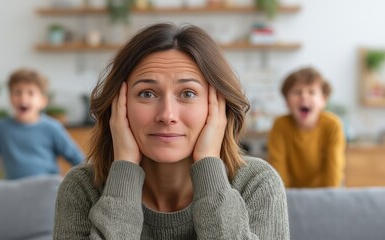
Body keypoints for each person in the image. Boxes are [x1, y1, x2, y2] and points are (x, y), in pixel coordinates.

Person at [53, 23, 289, 239]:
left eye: (187, 94)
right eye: (147, 93)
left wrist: (208, 164)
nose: (167, 115)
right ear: (119, 105)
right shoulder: (82, 188)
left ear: (217, 106)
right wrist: (124, 171)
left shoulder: (257, 183)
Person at [0, 68, 84, 180]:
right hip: (16, 190)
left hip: (47, 187)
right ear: (10, 97)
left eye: (30, 93)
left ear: (43, 101)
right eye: (17, 92)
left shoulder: (52, 128)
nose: (23, 98)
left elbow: (75, 157)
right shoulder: (2, 128)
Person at [267, 67, 346, 188]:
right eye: (297, 92)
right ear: (287, 102)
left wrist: (330, 197)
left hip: (325, 194)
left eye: (311, 92)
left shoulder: (332, 125)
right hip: (290, 195)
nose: (304, 96)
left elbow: (334, 171)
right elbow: (278, 170)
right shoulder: (280, 126)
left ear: (323, 100)